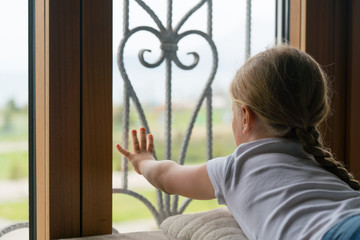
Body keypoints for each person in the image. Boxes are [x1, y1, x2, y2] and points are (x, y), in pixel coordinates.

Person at [116, 45, 360, 240]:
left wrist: (144, 161)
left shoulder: (234, 167)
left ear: (245, 117)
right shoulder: (318, 163)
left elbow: (168, 177)